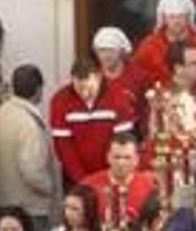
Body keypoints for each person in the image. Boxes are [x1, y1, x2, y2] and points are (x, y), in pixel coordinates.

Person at [0, 64, 59, 231]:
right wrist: (51, 188)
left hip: (7, 200)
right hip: (30, 206)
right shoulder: (30, 124)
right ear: (38, 89)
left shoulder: (4, 110)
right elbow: (31, 171)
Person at [49, 58, 134, 189]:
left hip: (111, 175)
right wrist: (83, 180)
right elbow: (63, 147)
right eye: (79, 88)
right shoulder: (60, 100)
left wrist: (109, 175)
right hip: (74, 178)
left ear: (99, 77)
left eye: (89, 88)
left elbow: (121, 143)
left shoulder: (118, 97)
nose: (84, 93)